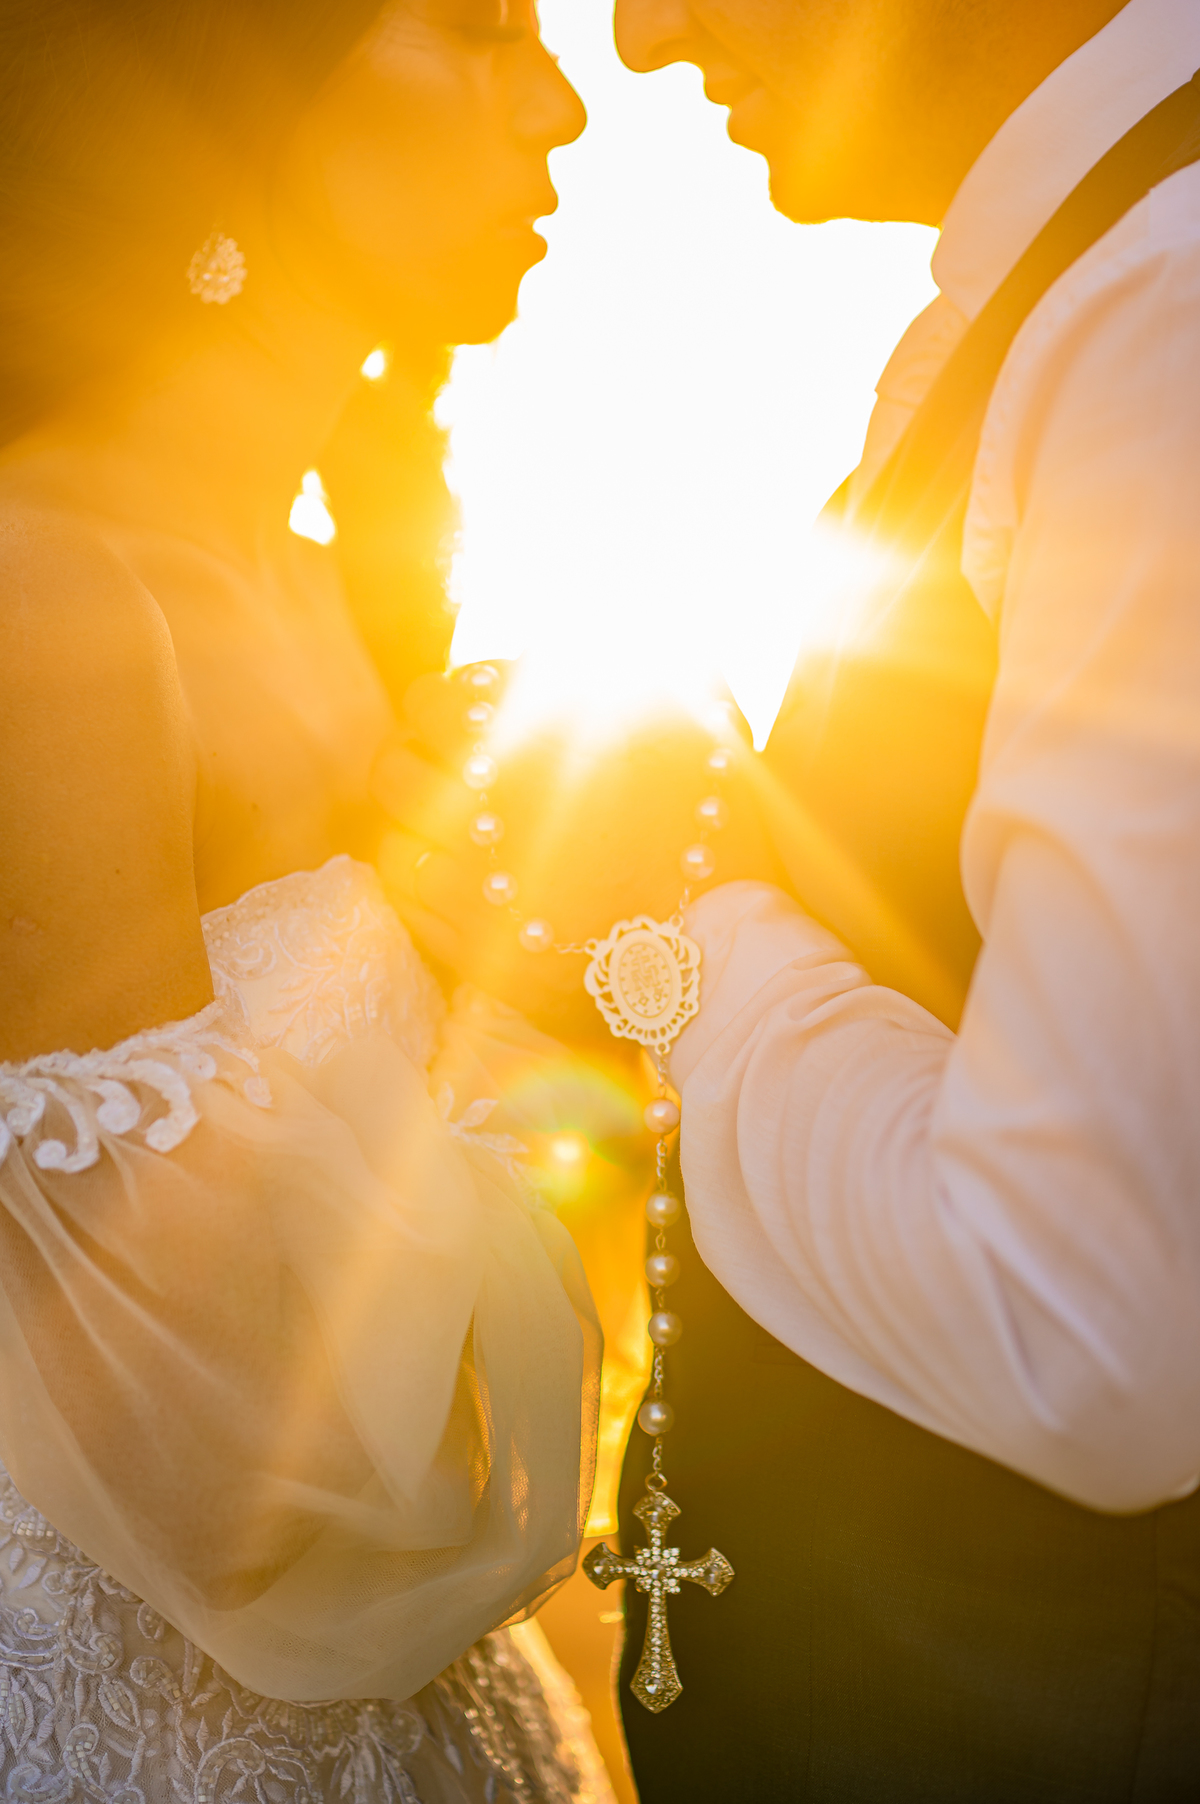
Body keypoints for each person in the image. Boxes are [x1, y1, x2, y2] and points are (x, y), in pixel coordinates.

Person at [0, 2, 620, 1799]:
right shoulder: (62, 595)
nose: (563, 100)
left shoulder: (319, 573)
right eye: (480, 24)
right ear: (223, 75)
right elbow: (200, 1449)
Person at [601, 0, 1200, 1797]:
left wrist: (676, 909)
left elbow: (1079, 1333)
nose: (639, 36)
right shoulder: (1065, 295)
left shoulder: (1156, 313)